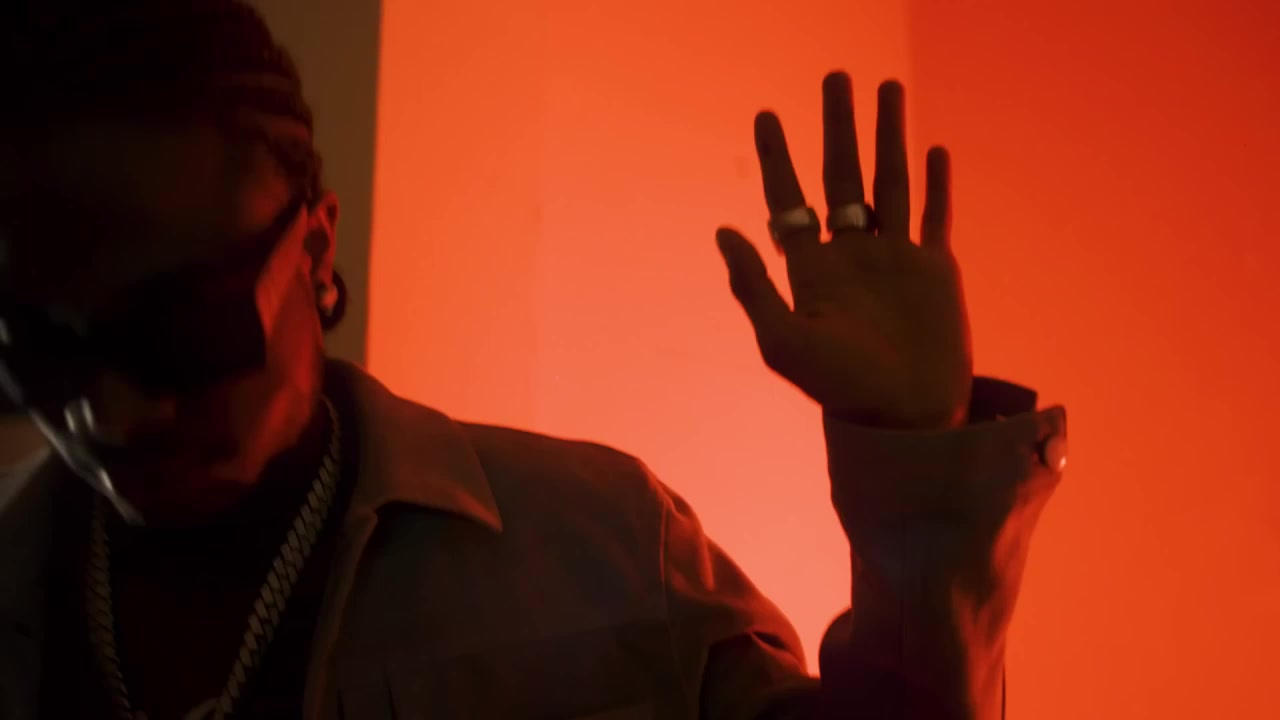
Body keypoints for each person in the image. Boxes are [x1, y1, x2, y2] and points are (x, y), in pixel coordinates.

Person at [0, 2, 1068, 719]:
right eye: (37, 350)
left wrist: (915, 471)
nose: (107, 413)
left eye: (182, 328)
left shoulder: (600, 551)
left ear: (317, 248)